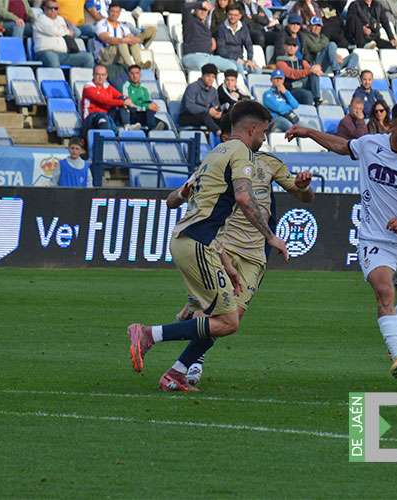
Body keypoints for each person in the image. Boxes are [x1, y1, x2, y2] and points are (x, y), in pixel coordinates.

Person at [125, 101, 292, 390]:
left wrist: (227, 265)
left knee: (224, 317)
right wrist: (271, 236)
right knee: (227, 321)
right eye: (263, 133)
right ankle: (149, 334)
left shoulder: (216, 154)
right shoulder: (241, 153)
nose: (263, 139)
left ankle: (176, 372)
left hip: (198, 242)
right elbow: (243, 198)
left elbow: (174, 200)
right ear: (252, 129)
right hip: (198, 242)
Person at [285, 100, 397, 383]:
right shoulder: (370, 145)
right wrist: (309, 133)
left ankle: (393, 330)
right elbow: (342, 146)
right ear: (391, 126)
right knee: (383, 291)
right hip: (374, 238)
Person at [164, 149, 315, 389]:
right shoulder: (217, 162)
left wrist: (304, 187)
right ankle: (186, 363)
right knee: (220, 316)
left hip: (254, 253)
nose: (264, 138)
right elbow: (171, 201)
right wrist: (182, 193)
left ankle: (186, 335)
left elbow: (304, 197)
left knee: (232, 317)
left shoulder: (269, 163)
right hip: (222, 245)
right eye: (262, 131)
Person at [34, 1, 95, 68]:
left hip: (64, 54)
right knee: (52, 59)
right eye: (50, 8)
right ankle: (57, 78)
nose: (53, 10)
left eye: (56, 8)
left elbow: (62, 31)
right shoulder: (40, 19)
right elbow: (53, 31)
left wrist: (63, 31)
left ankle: (85, 78)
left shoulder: (60, 19)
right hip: (45, 52)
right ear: (44, 8)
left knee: (88, 58)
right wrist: (67, 31)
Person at [96, 3, 155, 69]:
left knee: (133, 42)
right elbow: (106, 39)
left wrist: (134, 40)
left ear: (119, 13)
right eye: (112, 11)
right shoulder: (102, 23)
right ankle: (131, 67)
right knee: (122, 42)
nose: (114, 14)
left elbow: (130, 37)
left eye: (117, 12)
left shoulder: (122, 25)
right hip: (106, 52)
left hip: (119, 52)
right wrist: (122, 40)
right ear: (108, 12)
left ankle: (139, 64)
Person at [181, 1, 236, 72]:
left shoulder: (207, 26)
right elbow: (185, 7)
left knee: (232, 66)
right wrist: (201, 4)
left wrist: (212, 38)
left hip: (208, 57)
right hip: (192, 56)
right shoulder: (190, 21)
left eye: (205, 10)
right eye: (201, 9)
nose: (203, 12)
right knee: (205, 66)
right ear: (195, 10)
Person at [81, 64, 133, 133]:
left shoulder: (107, 86)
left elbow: (119, 95)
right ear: (93, 75)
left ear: (106, 76)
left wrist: (126, 99)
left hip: (107, 115)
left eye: (103, 75)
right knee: (103, 116)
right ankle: (108, 137)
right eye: (98, 74)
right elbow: (104, 101)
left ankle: (127, 126)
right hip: (91, 118)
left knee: (122, 102)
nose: (100, 77)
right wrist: (123, 102)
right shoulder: (88, 87)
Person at [275, 38, 323, 106]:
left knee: (314, 74)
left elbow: (315, 71)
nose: (292, 47)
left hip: (303, 86)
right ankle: (310, 111)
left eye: (294, 45)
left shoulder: (302, 62)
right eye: (289, 45)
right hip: (290, 89)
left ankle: (317, 99)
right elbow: (292, 73)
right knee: (308, 94)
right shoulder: (280, 62)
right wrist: (310, 70)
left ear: (297, 48)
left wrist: (317, 68)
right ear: (284, 46)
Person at [215, 4, 259, 74]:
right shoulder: (221, 28)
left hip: (240, 59)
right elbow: (221, 51)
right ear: (227, 14)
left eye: (235, 15)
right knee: (239, 68)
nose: (232, 17)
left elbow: (248, 44)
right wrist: (237, 59)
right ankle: (244, 84)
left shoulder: (243, 27)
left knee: (257, 69)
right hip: (226, 59)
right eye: (230, 14)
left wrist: (249, 59)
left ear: (240, 16)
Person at [179, 63, 223, 133]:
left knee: (224, 117)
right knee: (204, 115)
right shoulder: (192, 87)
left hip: (206, 117)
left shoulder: (213, 91)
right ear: (202, 76)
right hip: (188, 116)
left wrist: (217, 112)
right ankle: (218, 131)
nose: (210, 79)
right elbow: (189, 106)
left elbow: (216, 106)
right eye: (208, 76)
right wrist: (208, 111)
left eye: (213, 77)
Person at [119, 64, 161, 131]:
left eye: (137, 73)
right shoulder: (125, 86)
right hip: (132, 114)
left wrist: (153, 106)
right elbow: (129, 104)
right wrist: (145, 106)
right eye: (132, 73)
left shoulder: (144, 87)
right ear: (128, 75)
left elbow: (148, 102)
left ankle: (150, 129)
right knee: (149, 113)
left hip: (144, 114)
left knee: (164, 125)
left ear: (140, 75)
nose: (135, 76)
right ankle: (151, 129)